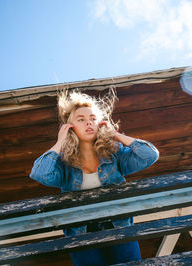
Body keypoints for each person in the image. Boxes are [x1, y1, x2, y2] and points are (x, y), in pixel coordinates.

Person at [29, 87, 159, 266]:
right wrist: (60, 141)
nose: (88, 123)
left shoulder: (114, 155)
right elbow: (39, 173)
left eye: (93, 119)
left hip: (119, 226)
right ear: (70, 128)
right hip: (81, 234)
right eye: (81, 120)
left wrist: (115, 134)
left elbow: (150, 155)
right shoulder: (63, 164)